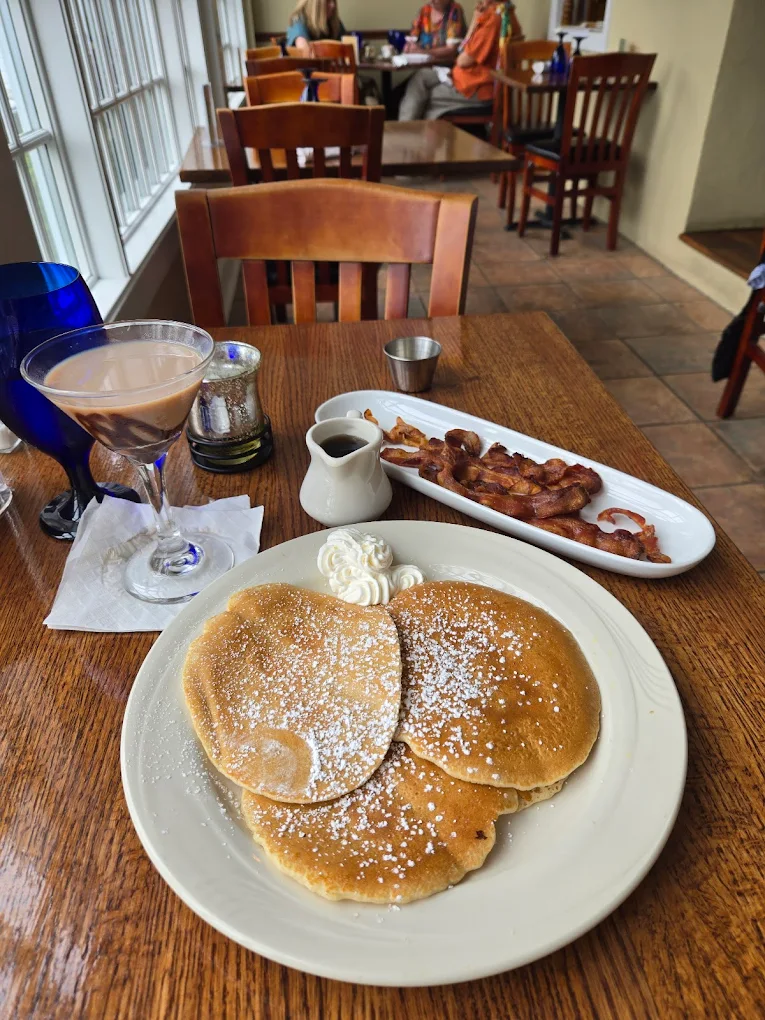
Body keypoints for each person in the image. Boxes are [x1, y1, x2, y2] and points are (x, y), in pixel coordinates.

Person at [399, 0, 501, 122]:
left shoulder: (492, 19)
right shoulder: (499, 14)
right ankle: (407, 133)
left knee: (422, 95)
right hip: (462, 77)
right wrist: (474, 21)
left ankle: (408, 134)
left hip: (475, 87)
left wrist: (459, 55)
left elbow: (462, 59)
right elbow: (462, 50)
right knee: (419, 79)